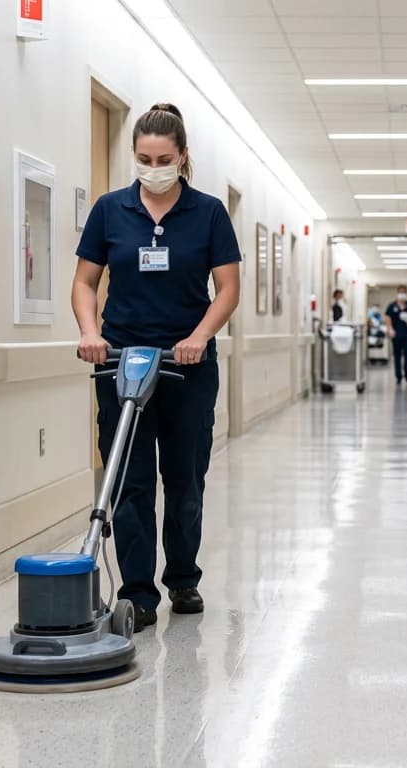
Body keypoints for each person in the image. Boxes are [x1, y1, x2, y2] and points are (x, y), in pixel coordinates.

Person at [72, 103, 241, 626]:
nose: (153, 166)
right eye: (144, 157)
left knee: (186, 478)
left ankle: (184, 579)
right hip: (121, 362)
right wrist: (90, 332)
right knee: (131, 478)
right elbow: (85, 282)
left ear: (183, 156)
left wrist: (199, 335)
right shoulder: (110, 210)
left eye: (164, 157)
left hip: (186, 366)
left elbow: (228, 288)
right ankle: (139, 593)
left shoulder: (209, 212)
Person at [384, 285, 407, 384]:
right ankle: (398, 376)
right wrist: (390, 329)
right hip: (396, 334)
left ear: (406, 294)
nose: (402, 294)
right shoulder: (392, 306)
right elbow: (387, 318)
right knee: (397, 356)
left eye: (404, 292)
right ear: (397, 293)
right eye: (400, 292)